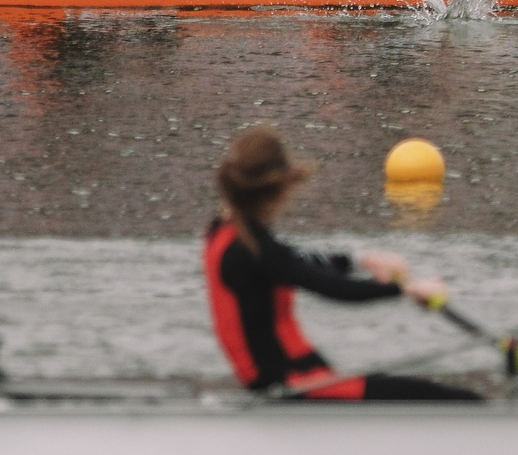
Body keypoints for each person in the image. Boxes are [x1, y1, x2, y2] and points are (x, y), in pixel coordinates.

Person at [203, 125, 479, 402]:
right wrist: (406, 288)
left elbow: (300, 263)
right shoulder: (252, 250)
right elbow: (337, 289)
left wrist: (362, 260)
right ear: (280, 189)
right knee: (463, 401)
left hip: (296, 381)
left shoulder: (223, 234)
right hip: (291, 388)